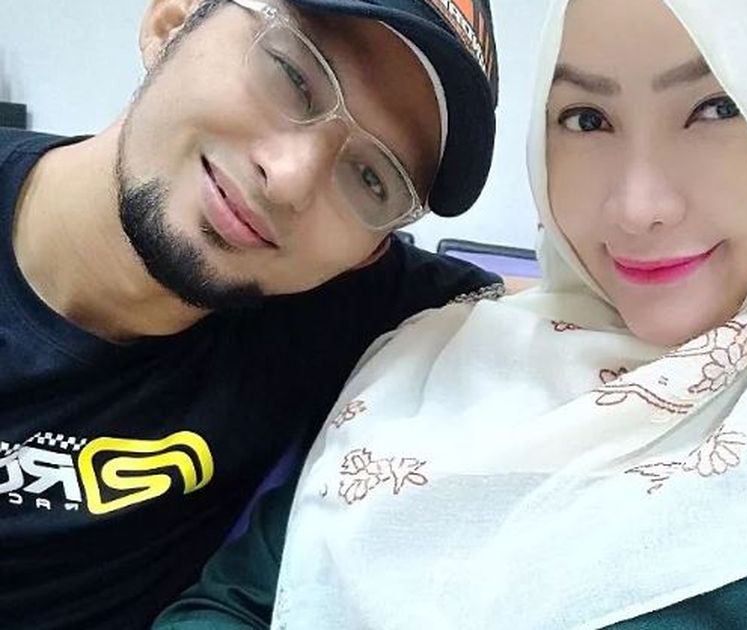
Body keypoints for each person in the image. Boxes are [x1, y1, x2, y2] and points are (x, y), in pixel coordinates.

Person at [156, 0, 747, 627]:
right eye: (586, 119)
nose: (636, 207)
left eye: (716, 108)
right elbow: (235, 603)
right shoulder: (436, 356)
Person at [0, 0, 502, 627]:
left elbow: (566, 315)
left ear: (370, 252)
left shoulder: (344, 309)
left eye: (372, 179)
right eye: (291, 74)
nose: (289, 179)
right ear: (172, 21)